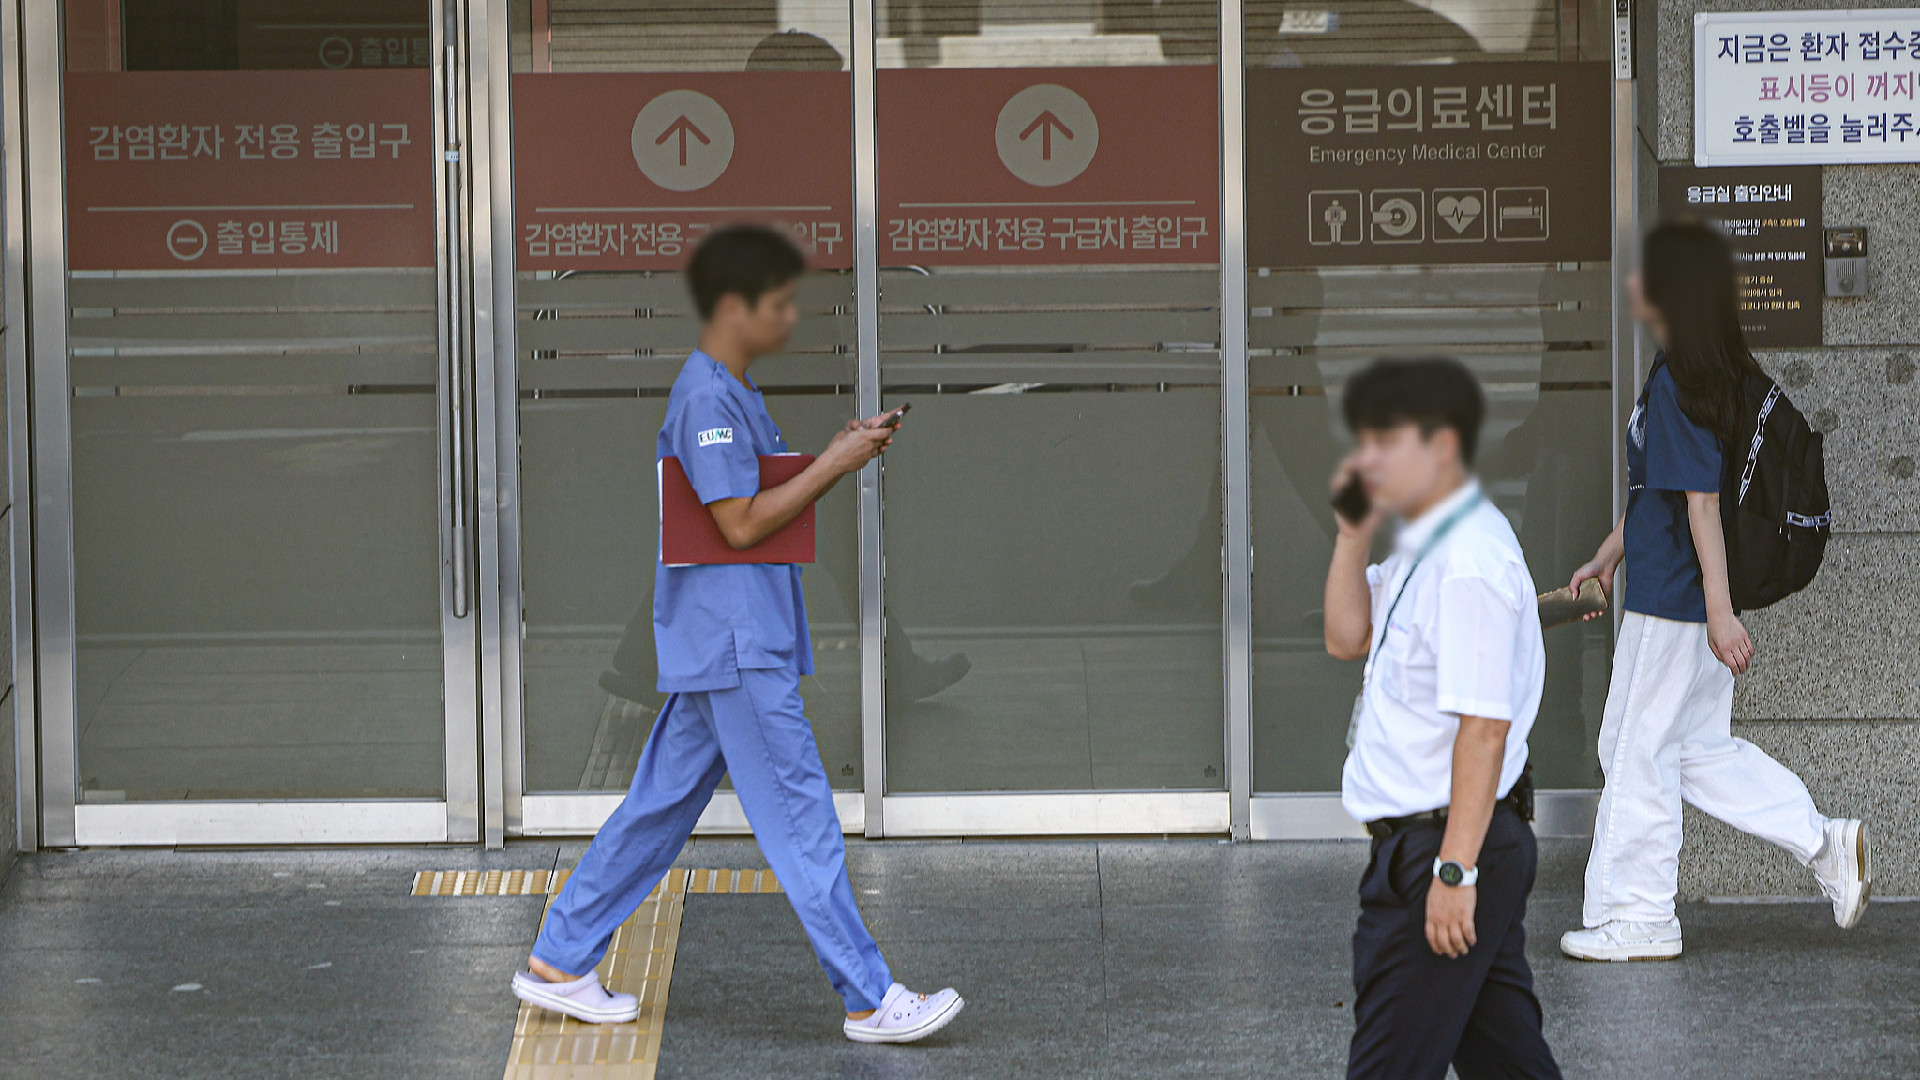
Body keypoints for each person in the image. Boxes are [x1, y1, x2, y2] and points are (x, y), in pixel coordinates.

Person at [510, 225, 965, 1044]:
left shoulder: (729, 390)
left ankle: (558, 957)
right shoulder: (708, 398)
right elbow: (741, 523)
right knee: (801, 818)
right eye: (777, 304)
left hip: (725, 645)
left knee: (655, 810)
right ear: (731, 307)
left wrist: (831, 455)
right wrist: (837, 461)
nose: (789, 319)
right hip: (733, 649)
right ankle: (869, 996)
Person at [1558, 222, 1870, 962]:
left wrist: (1718, 614)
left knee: (1632, 749)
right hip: (1680, 598)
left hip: (1675, 605)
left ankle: (1639, 918)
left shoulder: (1680, 382)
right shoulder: (1693, 370)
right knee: (1693, 749)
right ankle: (1825, 844)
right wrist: (1607, 557)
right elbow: (1656, 496)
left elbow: (1702, 505)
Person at [1324, 357, 1561, 1080]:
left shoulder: (1468, 562)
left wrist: (1454, 871)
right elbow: (1344, 637)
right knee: (1507, 1060)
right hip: (1433, 843)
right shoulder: (1423, 541)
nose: (1366, 461)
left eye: (1385, 443)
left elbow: (1483, 729)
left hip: (1450, 847)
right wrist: (1351, 537)